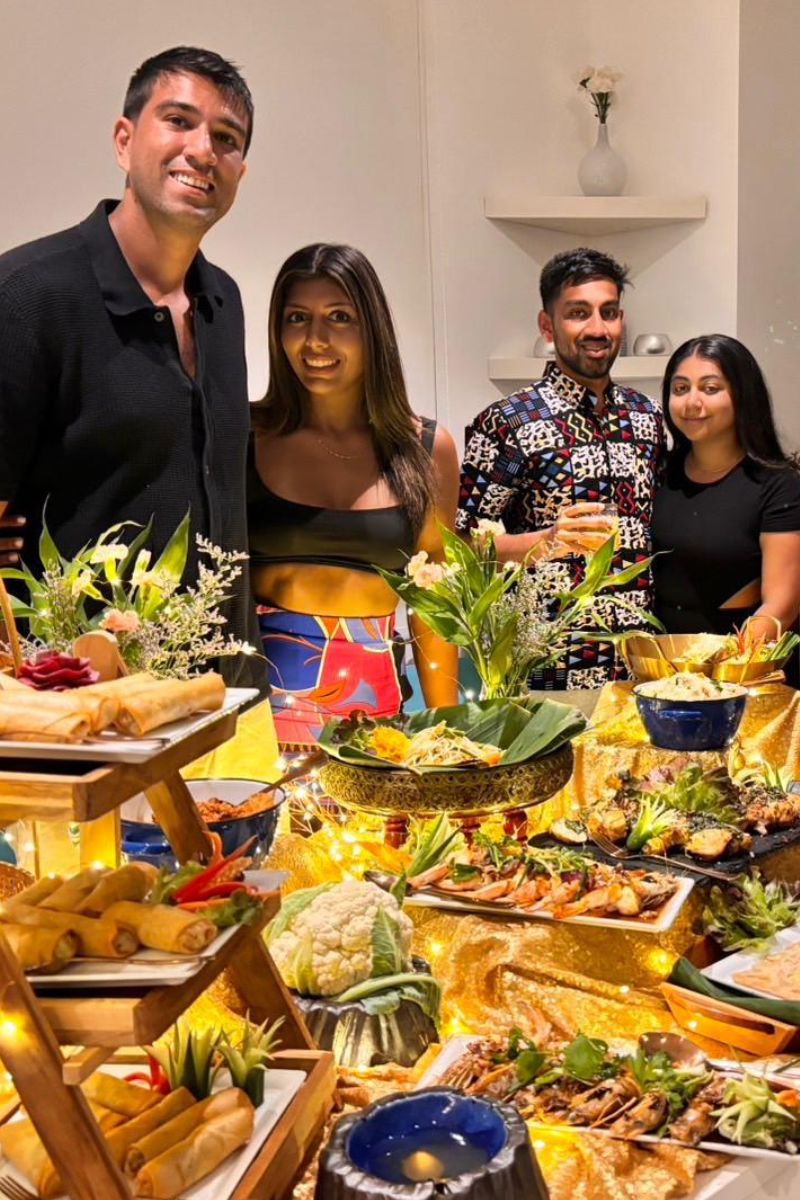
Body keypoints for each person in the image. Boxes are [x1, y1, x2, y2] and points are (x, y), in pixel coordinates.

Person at [0, 46, 259, 684]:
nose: (203, 150)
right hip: (81, 706)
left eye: (226, 138)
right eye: (178, 121)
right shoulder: (29, 295)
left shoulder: (224, 302)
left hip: (221, 700)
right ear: (124, 139)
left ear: (239, 172)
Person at [249, 243, 460, 747]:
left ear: (373, 330)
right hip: (257, 730)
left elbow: (433, 598)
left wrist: (447, 736)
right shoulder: (242, 437)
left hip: (379, 729)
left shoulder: (426, 449)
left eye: (339, 317)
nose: (315, 340)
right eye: (297, 318)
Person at [457, 247, 665, 689]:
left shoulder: (647, 417)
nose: (597, 328)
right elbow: (461, 547)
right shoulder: (509, 423)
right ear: (547, 325)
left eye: (609, 312)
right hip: (545, 667)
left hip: (639, 663)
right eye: (578, 313)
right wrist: (545, 542)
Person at [652, 334, 800, 661]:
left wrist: (718, 666)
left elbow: (782, 604)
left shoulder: (777, 483)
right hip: (661, 669)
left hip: (744, 672)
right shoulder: (657, 471)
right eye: (680, 389)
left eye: (710, 388)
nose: (691, 402)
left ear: (742, 395)